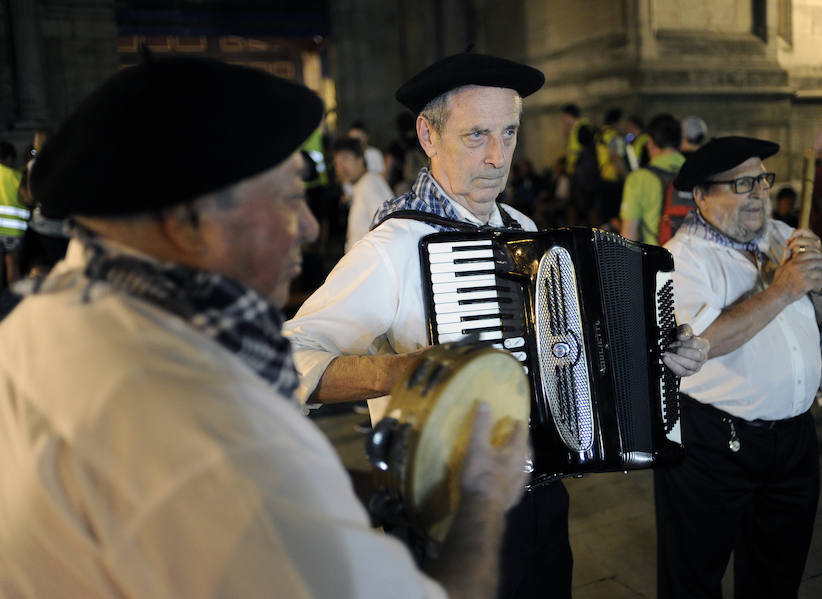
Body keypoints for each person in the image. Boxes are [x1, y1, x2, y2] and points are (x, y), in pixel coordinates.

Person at [0, 55, 531, 599]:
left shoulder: (38, 321)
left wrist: (370, 489)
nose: (305, 228)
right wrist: (482, 506)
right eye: (288, 197)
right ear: (188, 222)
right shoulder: (198, 422)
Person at [284, 52, 709, 599]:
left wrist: (658, 354)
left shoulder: (523, 230)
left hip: (541, 502)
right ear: (428, 136)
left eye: (508, 133)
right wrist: (403, 371)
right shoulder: (392, 248)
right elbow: (290, 354)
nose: (496, 156)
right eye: (476, 135)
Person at [655, 136, 822, 598]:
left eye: (762, 179)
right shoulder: (680, 259)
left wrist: (818, 279)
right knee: (694, 576)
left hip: (795, 440)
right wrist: (783, 288)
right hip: (714, 444)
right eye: (742, 184)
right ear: (703, 197)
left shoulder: (785, 236)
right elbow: (706, 342)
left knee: (777, 574)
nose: (759, 193)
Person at [619, 113, 685, 244]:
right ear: (680, 142)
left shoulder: (638, 179)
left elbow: (629, 235)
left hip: (655, 261)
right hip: (690, 261)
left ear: (650, 143)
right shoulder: (694, 174)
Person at [332, 136, 393, 252]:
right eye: (337, 163)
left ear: (360, 160)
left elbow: (387, 227)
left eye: (345, 159)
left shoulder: (370, 185)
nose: (341, 168)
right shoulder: (362, 185)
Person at [0, 140, 29, 288]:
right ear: (9, 158)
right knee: (12, 263)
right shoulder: (16, 176)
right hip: (13, 230)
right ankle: (12, 298)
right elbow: (27, 198)